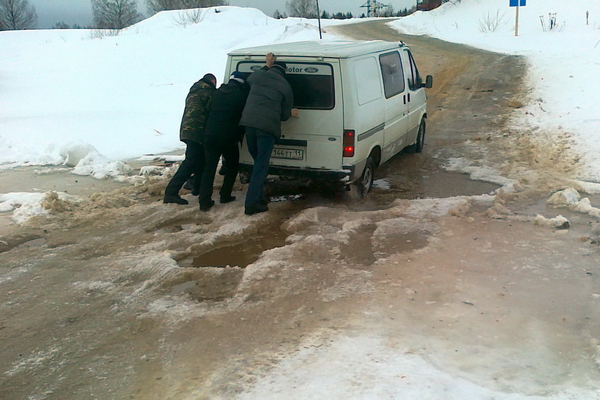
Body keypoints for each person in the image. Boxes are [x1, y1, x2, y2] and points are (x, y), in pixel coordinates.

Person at [239, 53, 298, 215]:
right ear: (284, 72)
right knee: (261, 165)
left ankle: (258, 197)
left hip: (249, 124)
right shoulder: (286, 86)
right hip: (267, 129)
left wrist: (267, 64)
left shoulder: (258, 76)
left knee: (258, 161)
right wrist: (291, 112)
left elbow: (250, 79)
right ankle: (251, 204)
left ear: (272, 68)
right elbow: (284, 115)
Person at [198, 71, 250, 211]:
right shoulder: (240, 95)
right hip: (228, 137)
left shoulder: (217, 93)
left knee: (209, 168)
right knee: (232, 166)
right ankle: (225, 195)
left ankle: (204, 201)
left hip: (210, 135)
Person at [163, 73, 217, 205]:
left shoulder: (195, 91)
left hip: (187, 130)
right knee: (190, 163)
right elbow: (212, 112)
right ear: (212, 82)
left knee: (200, 160)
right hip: (197, 131)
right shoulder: (207, 93)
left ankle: (196, 188)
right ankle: (171, 192)